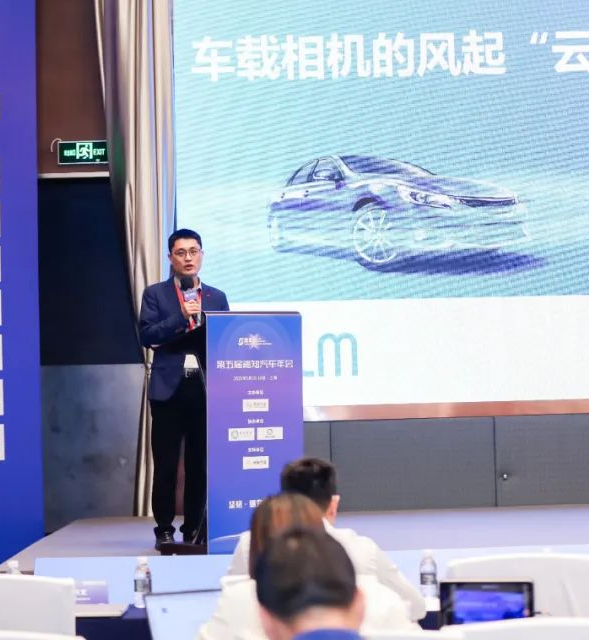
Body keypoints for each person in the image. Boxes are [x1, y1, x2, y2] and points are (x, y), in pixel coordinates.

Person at [225, 457, 425, 620]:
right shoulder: (362, 548)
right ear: (333, 504)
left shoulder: (250, 543)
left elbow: (231, 605)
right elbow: (416, 607)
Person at [197, 494, 415, 640]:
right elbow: (417, 610)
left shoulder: (239, 598)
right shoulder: (382, 596)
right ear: (360, 603)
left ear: (266, 619)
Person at [138, 228, 229, 548]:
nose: (188, 258)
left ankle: (193, 527)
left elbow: (224, 340)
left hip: (203, 388)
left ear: (202, 255)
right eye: (181, 253)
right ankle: (163, 527)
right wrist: (181, 317)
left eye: (193, 251)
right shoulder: (155, 294)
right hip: (167, 389)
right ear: (170, 258)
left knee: (198, 463)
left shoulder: (216, 297)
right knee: (165, 463)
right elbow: (147, 335)